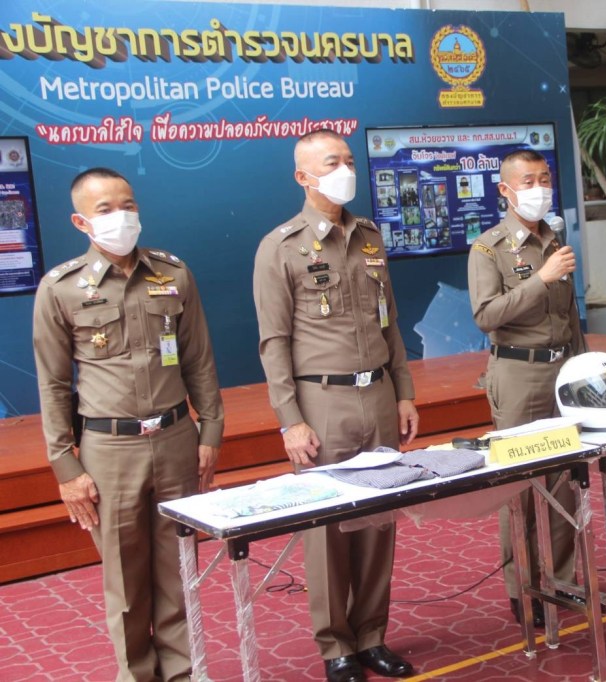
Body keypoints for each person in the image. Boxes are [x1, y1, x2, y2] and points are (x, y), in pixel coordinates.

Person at [32, 167, 224, 682]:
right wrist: (66, 466)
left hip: (176, 439)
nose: (122, 216)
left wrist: (210, 432)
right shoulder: (61, 288)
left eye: (128, 204)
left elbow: (199, 361)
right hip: (109, 451)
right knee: (125, 580)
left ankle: (183, 672)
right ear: (80, 221)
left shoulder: (173, 274)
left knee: (178, 568)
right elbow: (53, 385)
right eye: (105, 209)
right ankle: (137, 675)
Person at [253, 130, 418, 682]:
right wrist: (290, 421)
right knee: (327, 529)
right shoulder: (280, 246)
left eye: (349, 160)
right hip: (322, 401)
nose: (346, 169)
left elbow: (389, 321)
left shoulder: (369, 236)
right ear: (303, 177)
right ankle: (336, 646)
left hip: (378, 394)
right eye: (332, 162)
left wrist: (404, 392)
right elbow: (274, 343)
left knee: (377, 522)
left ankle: (371, 635)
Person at [468, 149, 585, 626]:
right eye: (528, 181)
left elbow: (569, 313)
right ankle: (523, 588)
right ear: (505, 190)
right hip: (518, 375)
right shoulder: (488, 248)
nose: (539, 189)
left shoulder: (554, 237)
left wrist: (582, 368)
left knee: (564, 484)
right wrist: (540, 279)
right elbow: (486, 315)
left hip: (562, 371)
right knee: (520, 486)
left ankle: (559, 580)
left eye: (544, 179)